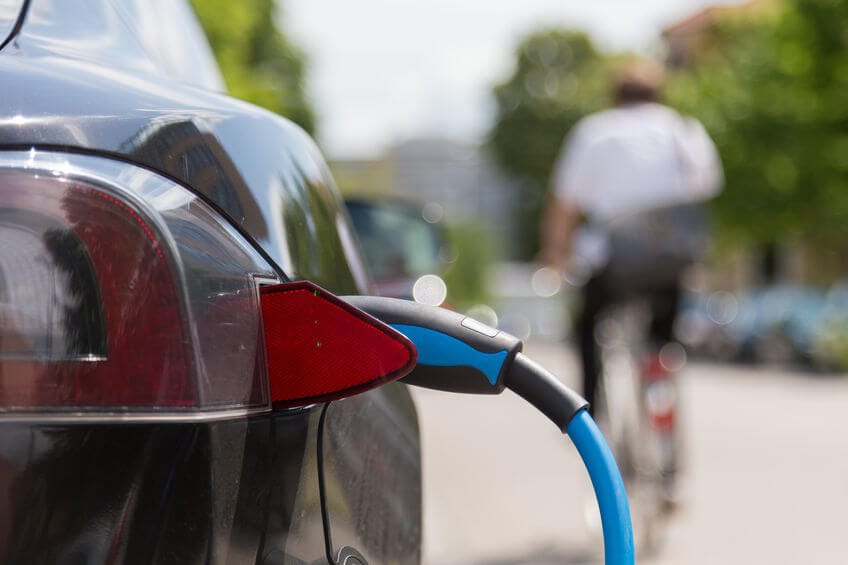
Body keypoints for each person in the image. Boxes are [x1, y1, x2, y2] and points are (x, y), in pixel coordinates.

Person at [540, 59, 723, 414]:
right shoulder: (682, 129)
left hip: (615, 259)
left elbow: (564, 203)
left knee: (588, 327)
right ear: (659, 94)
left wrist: (555, 255)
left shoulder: (595, 131)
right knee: (665, 325)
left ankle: (590, 411)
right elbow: (707, 183)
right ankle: (661, 374)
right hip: (670, 257)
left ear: (615, 95)